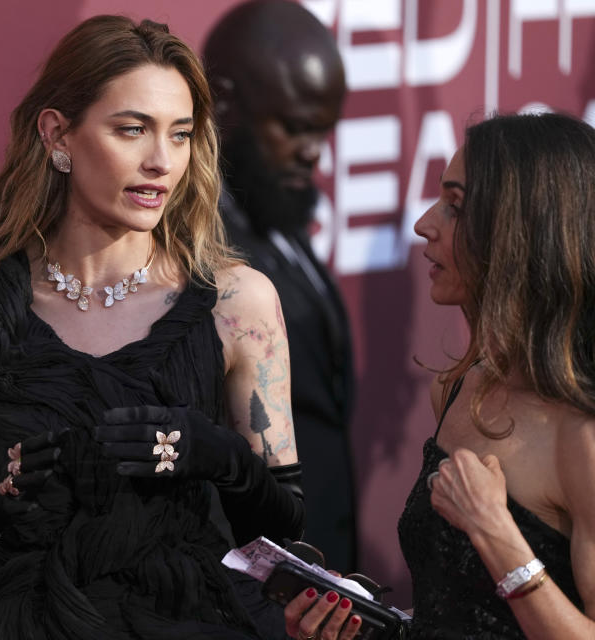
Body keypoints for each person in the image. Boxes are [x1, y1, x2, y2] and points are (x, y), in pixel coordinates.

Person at [0, 15, 306, 640]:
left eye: (180, 135)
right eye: (132, 130)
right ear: (58, 135)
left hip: (185, 619)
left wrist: (219, 455)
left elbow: (284, 536)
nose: (161, 161)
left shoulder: (238, 303)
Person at [287, 112, 595, 639]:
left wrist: (495, 530)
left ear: (523, 232)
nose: (425, 223)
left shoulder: (590, 435)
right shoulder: (461, 387)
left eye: (456, 206)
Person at [203, 0, 357, 571]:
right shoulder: (194, 247)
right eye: (293, 127)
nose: (314, 151)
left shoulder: (274, 209)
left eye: (323, 130)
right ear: (222, 101)